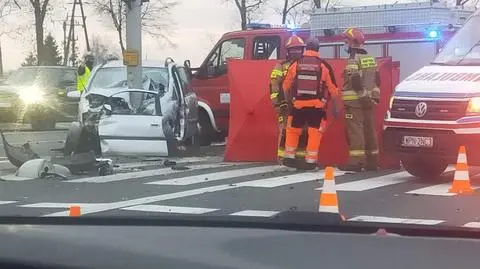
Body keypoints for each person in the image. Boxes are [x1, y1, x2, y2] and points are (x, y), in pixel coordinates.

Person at [282, 37, 340, 170]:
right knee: (314, 133)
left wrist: (289, 103)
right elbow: (333, 90)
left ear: (306, 48)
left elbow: (285, 86)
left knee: (293, 130)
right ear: (318, 49)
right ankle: (310, 161)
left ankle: (289, 159)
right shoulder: (323, 65)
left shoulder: (296, 64)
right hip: (316, 106)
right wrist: (336, 108)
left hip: (298, 105)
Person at [340, 27, 381, 172]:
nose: (344, 44)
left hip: (355, 102)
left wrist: (363, 96)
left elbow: (355, 80)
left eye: (346, 41)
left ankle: (356, 162)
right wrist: (373, 98)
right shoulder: (371, 58)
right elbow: (377, 81)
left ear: (353, 42)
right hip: (368, 101)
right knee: (369, 130)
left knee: (355, 131)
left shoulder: (353, 59)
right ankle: (372, 161)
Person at [269, 35, 306, 161]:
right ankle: (282, 158)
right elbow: (274, 85)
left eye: (298, 49)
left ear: (302, 50)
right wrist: (277, 104)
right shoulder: (280, 66)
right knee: (284, 130)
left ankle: (299, 157)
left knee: (301, 131)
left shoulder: (306, 65)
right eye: (293, 49)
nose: (296, 52)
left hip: (301, 104)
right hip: (285, 105)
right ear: (288, 51)